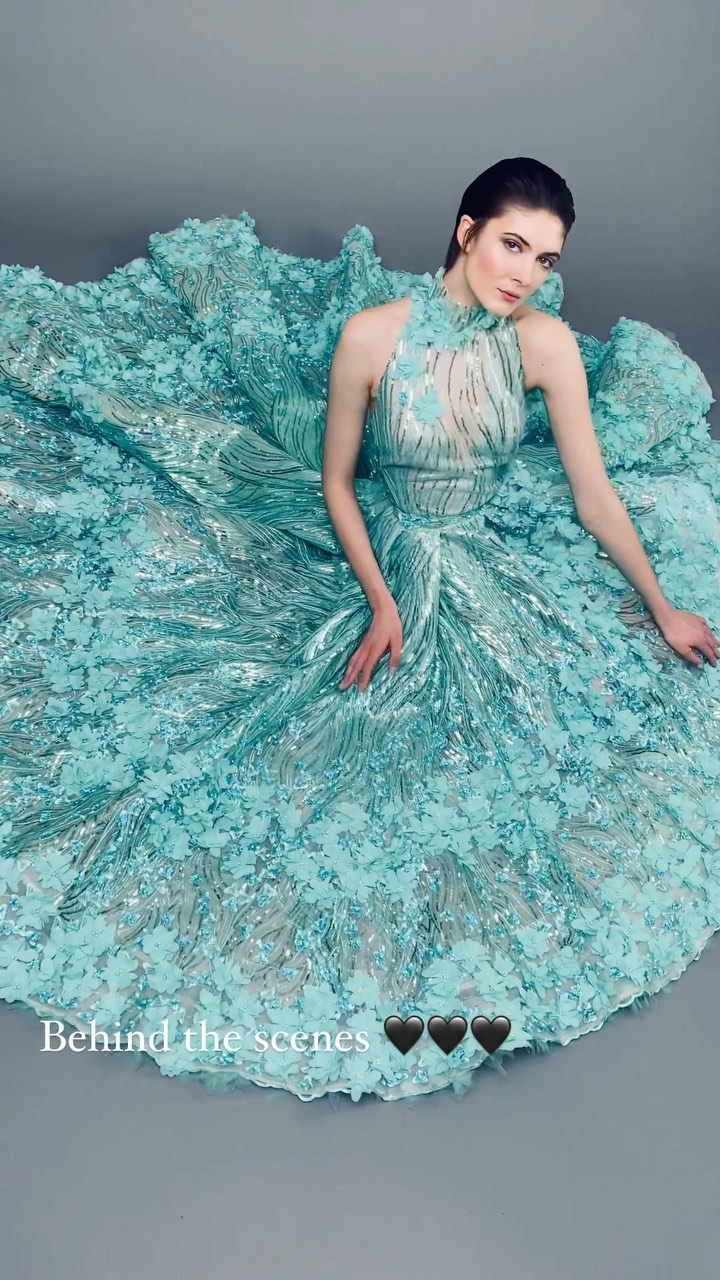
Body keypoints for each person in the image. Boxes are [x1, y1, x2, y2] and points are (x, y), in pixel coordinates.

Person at [0, 156, 719, 1105]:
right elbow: (338, 484)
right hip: (391, 545)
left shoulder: (545, 345)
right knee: (336, 730)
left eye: (545, 260)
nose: (525, 274)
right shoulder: (372, 335)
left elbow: (593, 496)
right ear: (466, 231)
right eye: (512, 245)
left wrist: (661, 605)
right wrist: (381, 600)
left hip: (484, 556)